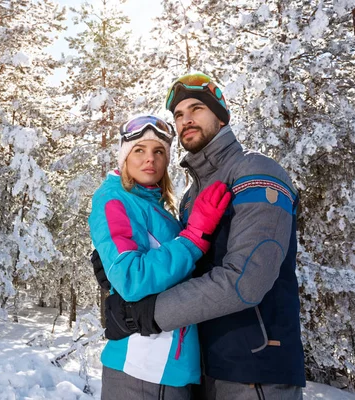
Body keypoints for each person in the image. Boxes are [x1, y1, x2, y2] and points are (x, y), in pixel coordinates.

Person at [92, 73, 306, 400]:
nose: (186, 119)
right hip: (204, 369)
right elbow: (187, 268)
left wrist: (146, 314)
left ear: (220, 116)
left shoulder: (256, 171)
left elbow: (246, 280)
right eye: (178, 115)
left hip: (255, 368)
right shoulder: (192, 197)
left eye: (197, 108)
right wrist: (114, 273)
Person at [89, 115, 231, 400]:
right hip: (143, 368)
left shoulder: (152, 204)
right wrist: (193, 237)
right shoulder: (115, 199)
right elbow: (130, 278)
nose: (149, 159)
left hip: (167, 366)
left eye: (159, 151)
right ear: (124, 157)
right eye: (139, 150)